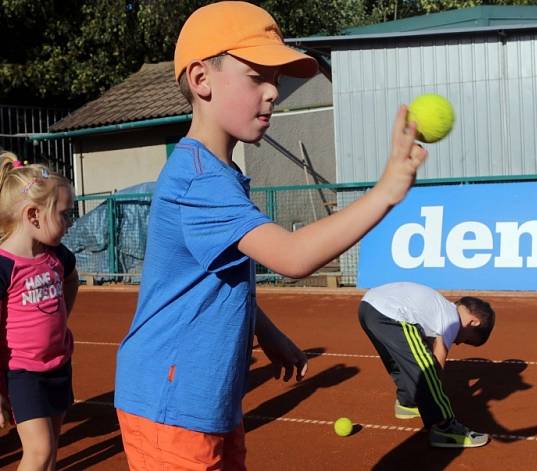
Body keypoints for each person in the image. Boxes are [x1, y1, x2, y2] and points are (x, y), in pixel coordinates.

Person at [113, 2, 428, 469]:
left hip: (206, 400)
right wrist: (385, 191)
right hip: (171, 402)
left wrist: (267, 332)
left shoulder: (218, 173)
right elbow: (293, 257)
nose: (271, 93)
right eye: (256, 75)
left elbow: (219, 275)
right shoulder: (201, 180)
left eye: (275, 79)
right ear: (202, 80)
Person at [0, 151, 79, 470]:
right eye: (64, 214)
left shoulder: (56, 255)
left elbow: (71, 280)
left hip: (59, 364)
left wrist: (61, 320)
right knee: (39, 451)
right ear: (33, 216)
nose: (70, 222)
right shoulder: (4, 266)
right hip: (23, 372)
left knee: (51, 450)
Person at [359, 281, 495, 448]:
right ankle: (445, 427)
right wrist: (435, 396)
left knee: (400, 363)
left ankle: (407, 403)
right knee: (426, 370)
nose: (459, 343)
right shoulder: (452, 320)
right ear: (473, 322)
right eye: (467, 339)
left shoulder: (440, 308)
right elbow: (435, 365)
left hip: (368, 307)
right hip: (391, 314)